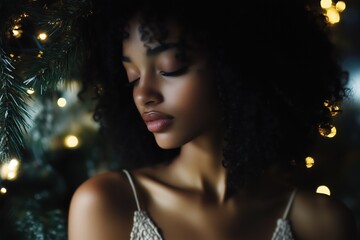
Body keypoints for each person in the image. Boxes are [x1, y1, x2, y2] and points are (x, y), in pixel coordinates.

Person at [68, 0, 358, 239]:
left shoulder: (322, 223)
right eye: (133, 76)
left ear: (236, 63)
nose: (143, 94)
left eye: (170, 68)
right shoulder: (104, 204)